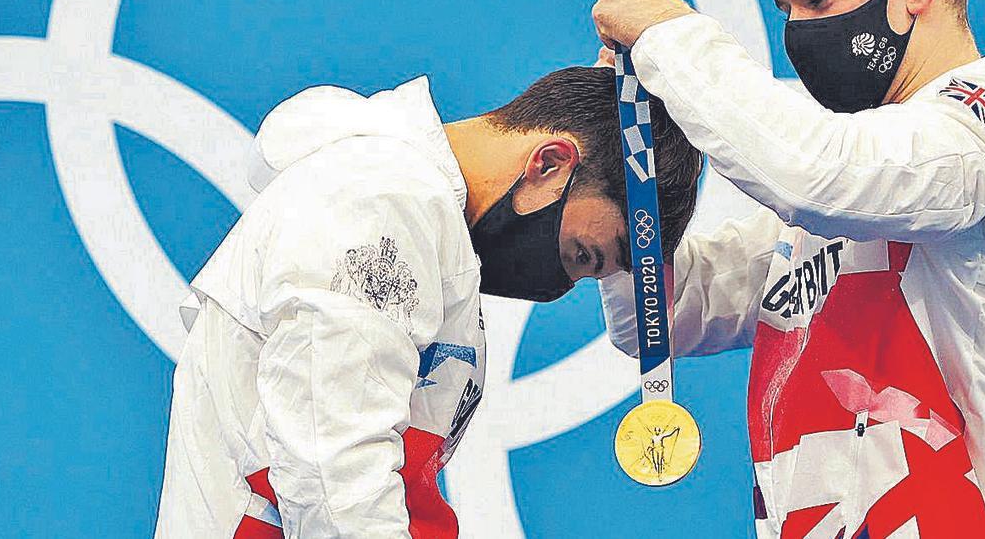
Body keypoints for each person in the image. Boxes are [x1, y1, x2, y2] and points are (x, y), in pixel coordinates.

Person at [590, 0, 985, 537]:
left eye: (821, 0)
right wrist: (631, 160)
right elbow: (666, 313)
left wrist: (670, 40)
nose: (798, 34)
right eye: (787, 11)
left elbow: (819, 176)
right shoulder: (847, 192)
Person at [153, 67, 703, 538]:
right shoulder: (383, 199)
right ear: (549, 163)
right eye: (581, 254)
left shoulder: (423, 217)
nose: (562, 283)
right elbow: (334, 472)